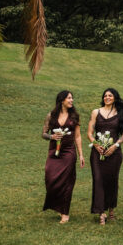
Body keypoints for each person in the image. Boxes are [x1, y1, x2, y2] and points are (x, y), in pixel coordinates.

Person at [87, 87, 123, 224]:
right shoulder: (95, 112)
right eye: (105, 95)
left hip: (114, 153)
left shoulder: (121, 114)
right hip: (97, 153)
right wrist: (95, 144)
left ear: (115, 98)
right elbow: (89, 133)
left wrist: (115, 146)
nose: (107, 97)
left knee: (112, 181)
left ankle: (111, 211)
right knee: (98, 180)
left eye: (110, 95)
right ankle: (101, 213)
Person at [42, 90, 85, 223]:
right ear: (62, 100)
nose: (71, 100)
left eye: (72, 98)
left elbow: (77, 136)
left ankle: (64, 212)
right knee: (50, 178)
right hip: (53, 152)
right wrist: (51, 136)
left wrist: (81, 154)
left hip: (68, 152)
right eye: (69, 98)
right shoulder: (52, 115)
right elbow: (43, 133)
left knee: (66, 183)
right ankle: (56, 204)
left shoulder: (74, 116)